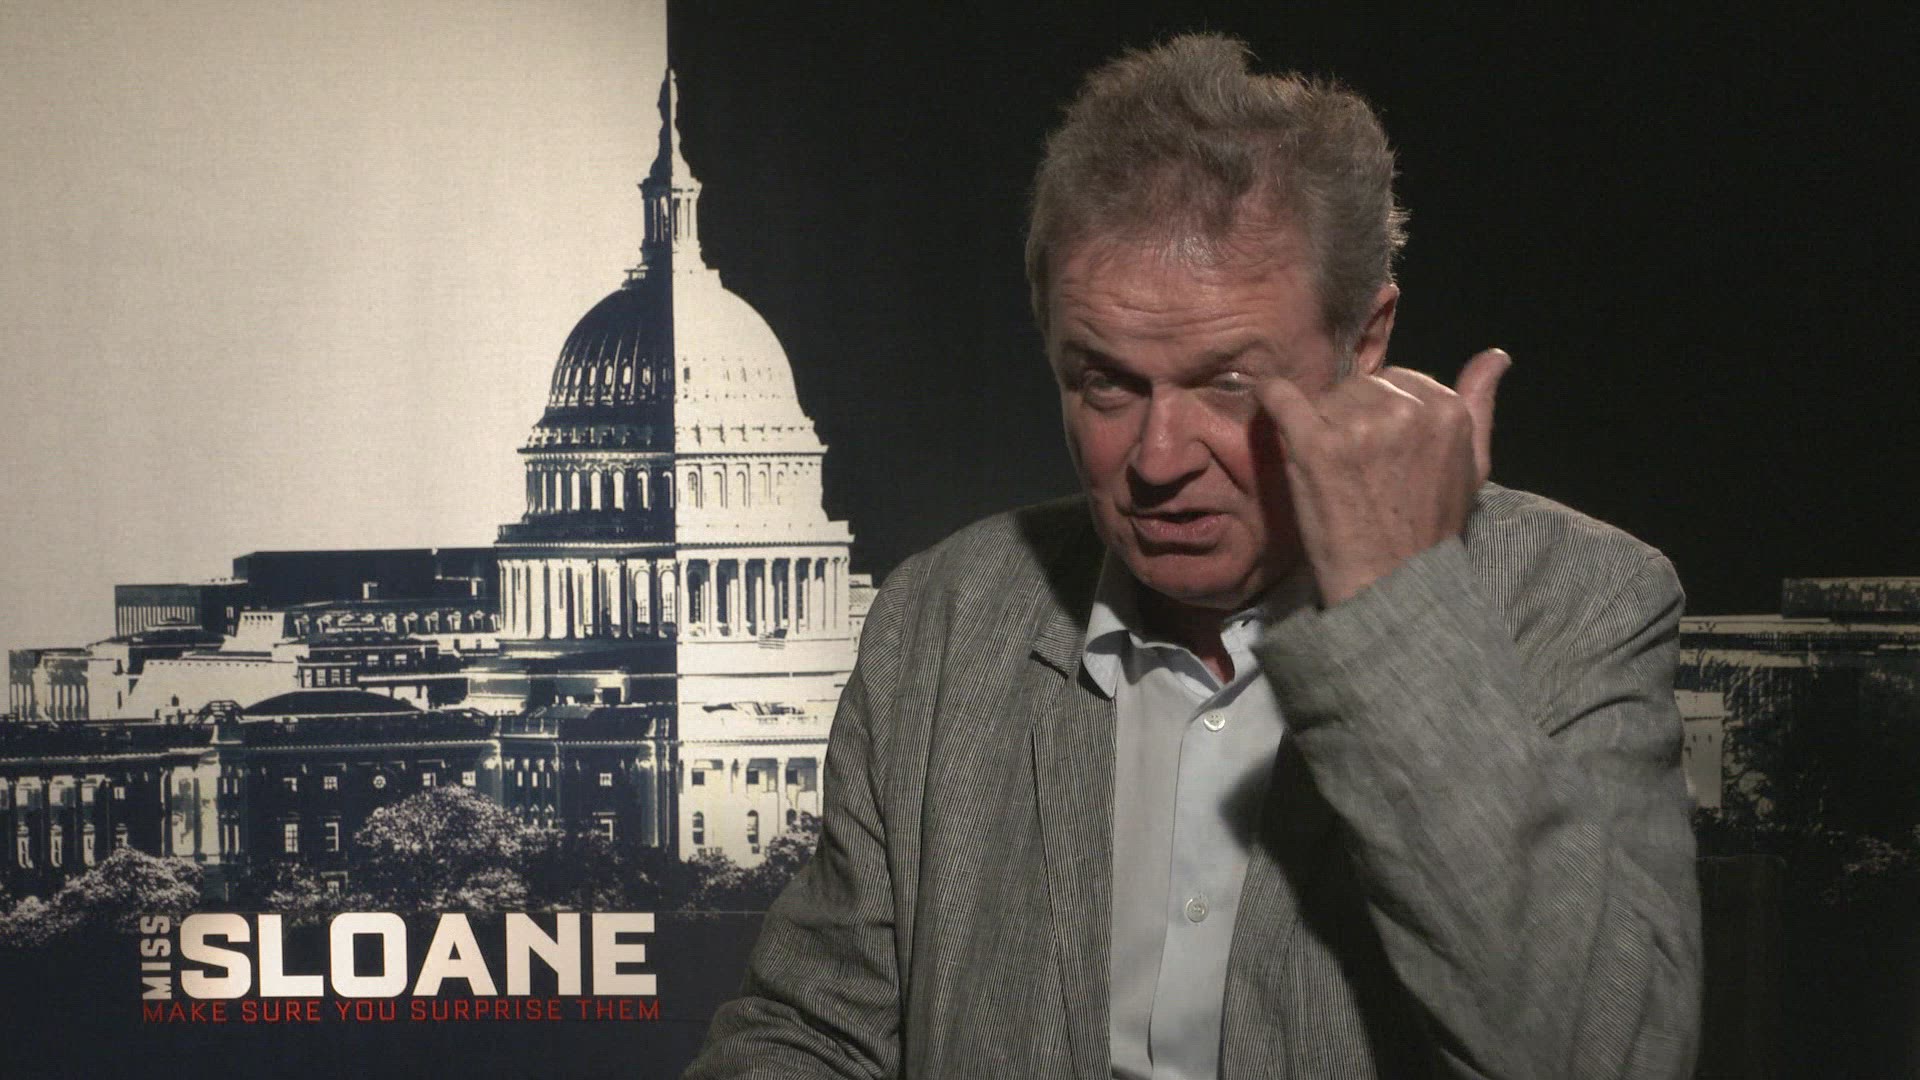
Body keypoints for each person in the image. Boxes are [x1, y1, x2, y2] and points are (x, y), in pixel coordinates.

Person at [686, 32, 1700, 1080]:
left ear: (1363, 342)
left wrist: (1392, 605)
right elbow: (812, 1033)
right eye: (1106, 383)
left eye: (1229, 383)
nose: (1159, 460)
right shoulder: (940, 620)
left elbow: (1609, 1056)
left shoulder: (1578, 601)